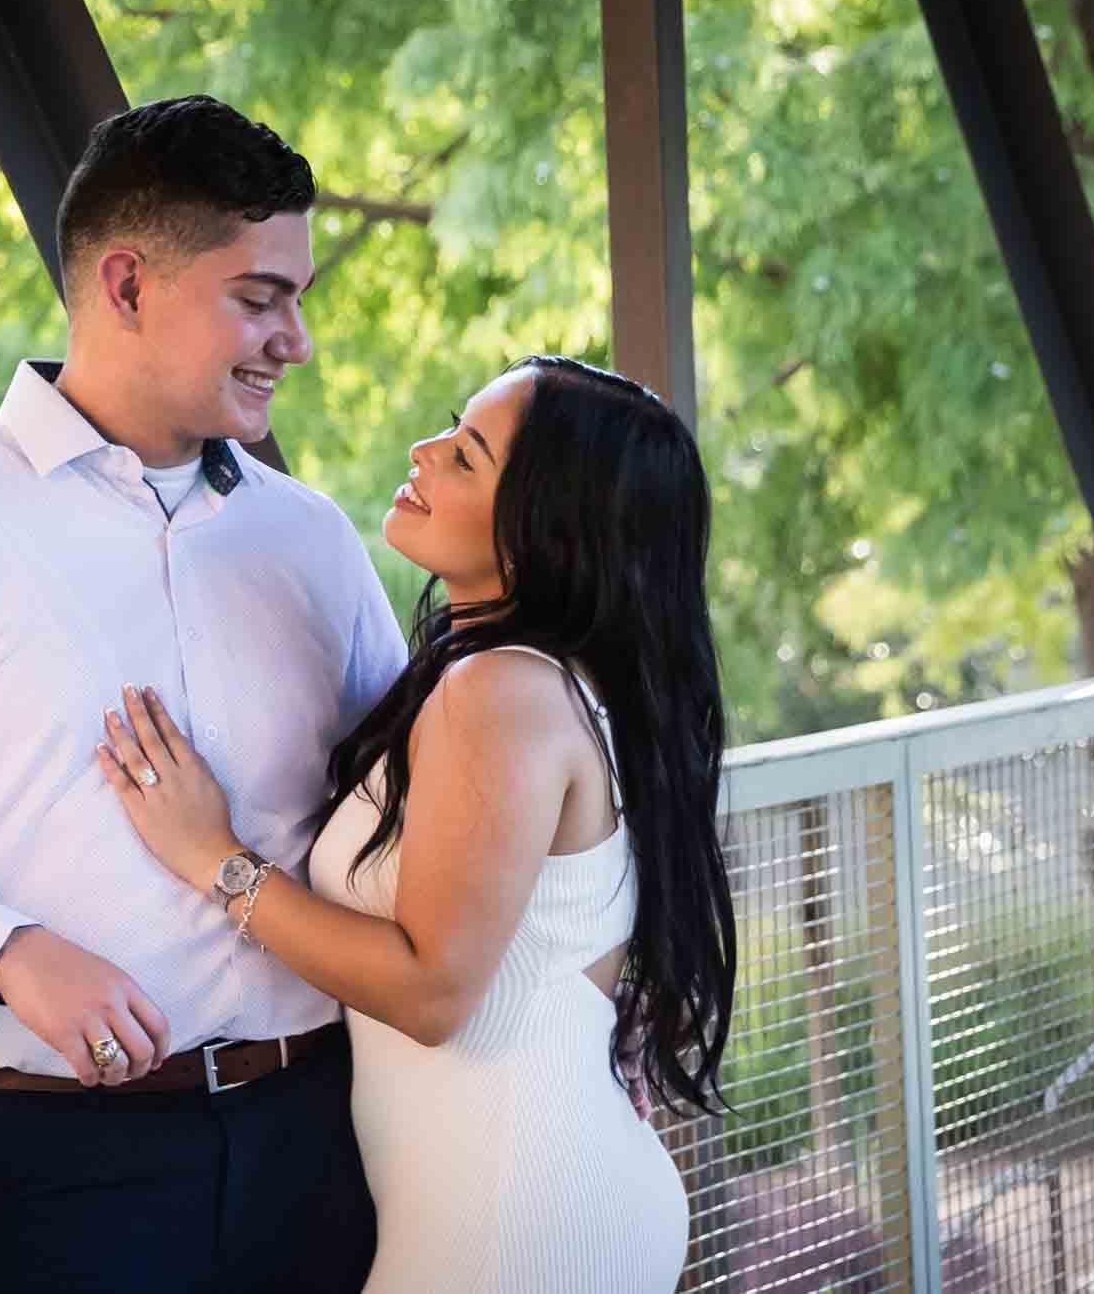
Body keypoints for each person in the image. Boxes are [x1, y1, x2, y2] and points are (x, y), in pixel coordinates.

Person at [0, 96, 408, 1293]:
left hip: (327, 1137)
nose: (293, 341)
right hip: (60, 1170)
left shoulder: (310, 537)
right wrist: (4, 950)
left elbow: (419, 808)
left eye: (296, 300)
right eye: (258, 298)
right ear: (127, 284)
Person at [98, 355, 739, 1293]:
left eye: (467, 455)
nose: (424, 451)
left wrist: (216, 859)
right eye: (450, 427)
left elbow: (434, 991)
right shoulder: (540, 679)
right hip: (517, 1192)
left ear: (543, 527)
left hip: (513, 1213)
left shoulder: (505, 689)